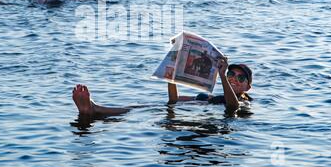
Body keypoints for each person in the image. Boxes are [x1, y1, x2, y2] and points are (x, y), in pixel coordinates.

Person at [72, 57, 253, 116]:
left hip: (204, 119)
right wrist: (172, 76)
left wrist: (221, 75)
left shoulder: (244, 102)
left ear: (247, 87)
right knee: (139, 107)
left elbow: (232, 107)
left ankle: (94, 110)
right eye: (231, 74)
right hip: (186, 111)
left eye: (241, 77)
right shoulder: (210, 98)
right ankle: (94, 108)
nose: (234, 78)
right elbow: (173, 100)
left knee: (139, 112)